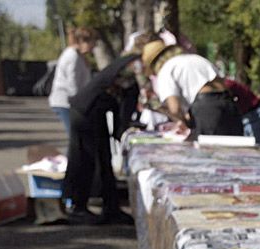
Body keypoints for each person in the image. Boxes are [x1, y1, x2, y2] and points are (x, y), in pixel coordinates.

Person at [61, 53, 140, 225]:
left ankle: (110, 207)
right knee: (85, 159)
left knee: (104, 160)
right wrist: (124, 132)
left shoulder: (126, 66)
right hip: (86, 111)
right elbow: (124, 113)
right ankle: (78, 207)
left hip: (93, 110)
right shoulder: (133, 72)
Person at [140, 41, 243, 138]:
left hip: (206, 108)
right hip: (229, 103)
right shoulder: (195, 59)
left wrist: (181, 122)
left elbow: (175, 108)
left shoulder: (166, 70)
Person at [48, 28, 96, 133]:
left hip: (71, 102)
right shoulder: (72, 56)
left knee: (77, 136)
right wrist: (80, 103)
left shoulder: (80, 55)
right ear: (84, 41)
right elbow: (72, 83)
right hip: (66, 102)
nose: (94, 46)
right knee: (75, 136)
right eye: (93, 42)